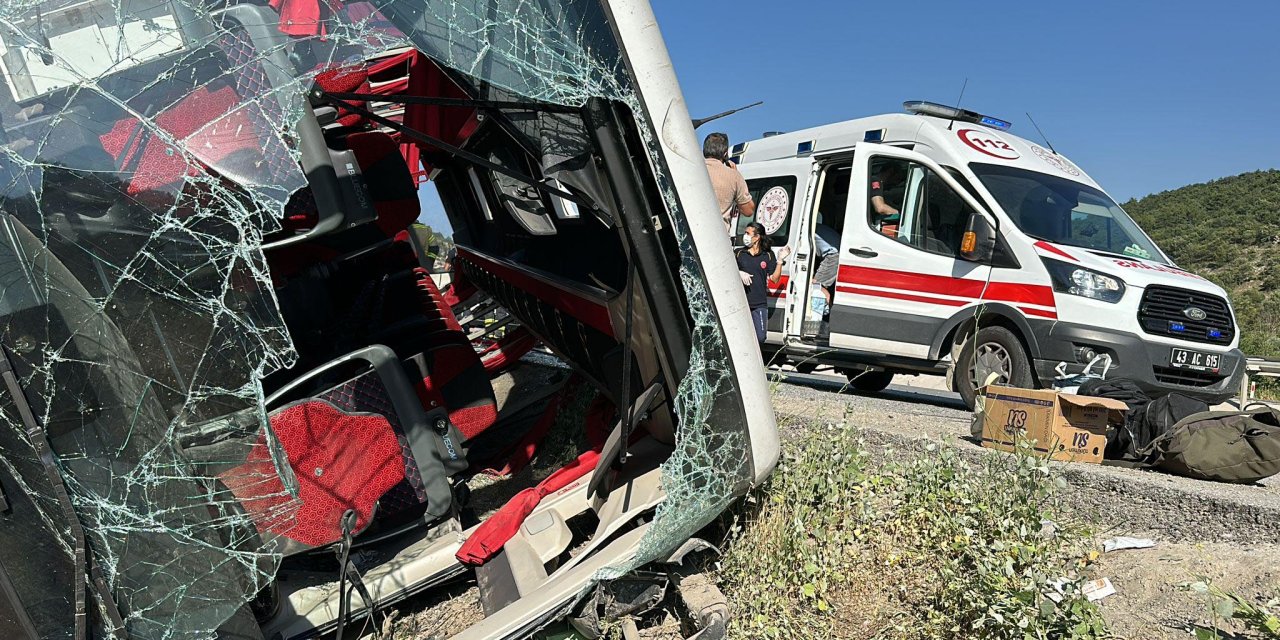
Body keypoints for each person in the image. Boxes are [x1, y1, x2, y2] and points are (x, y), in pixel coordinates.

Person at [737, 222, 789, 344]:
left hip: (759, 303)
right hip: (741, 302)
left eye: (748, 233)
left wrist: (780, 260)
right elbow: (727, 271)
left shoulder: (768, 255)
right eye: (745, 233)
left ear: (757, 237)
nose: (745, 236)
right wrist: (738, 272)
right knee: (741, 336)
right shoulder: (739, 253)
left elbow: (774, 279)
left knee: (760, 337)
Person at [703, 132, 755, 233]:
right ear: (725, 153)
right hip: (718, 238)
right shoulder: (734, 176)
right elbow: (748, 210)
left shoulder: (690, 169)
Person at [870, 161, 906, 233]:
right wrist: (902, 215)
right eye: (897, 178)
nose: (897, 182)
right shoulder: (875, 180)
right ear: (890, 172)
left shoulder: (883, 186)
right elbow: (880, 208)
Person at [812, 222, 841, 305]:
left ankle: (824, 312)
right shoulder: (818, 227)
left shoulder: (807, 228)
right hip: (835, 253)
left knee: (817, 286)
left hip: (833, 256)